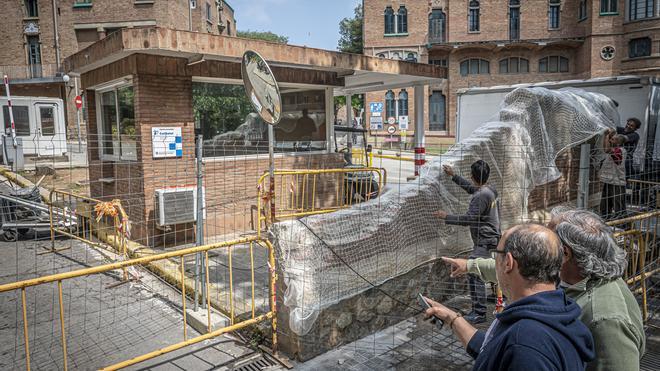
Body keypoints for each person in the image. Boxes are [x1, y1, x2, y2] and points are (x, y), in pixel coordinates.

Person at [443, 208, 645, 371]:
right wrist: (469, 265)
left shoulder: (607, 318)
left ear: (564, 254)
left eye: (548, 239)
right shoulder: (567, 280)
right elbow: (521, 269)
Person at [424, 224, 595, 371]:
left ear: (508, 262)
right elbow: (493, 350)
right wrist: (452, 318)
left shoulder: (525, 345)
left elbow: (516, 348)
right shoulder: (556, 312)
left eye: (496, 254)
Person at [434, 160, 500, 324]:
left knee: (474, 271)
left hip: (486, 239)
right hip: (492, 237)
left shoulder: (481, 195)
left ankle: (479, 312)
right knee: (492, 266)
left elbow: (468, 219)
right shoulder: (489, 190)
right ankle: (499, 296)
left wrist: (446, 217)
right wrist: (454, 176)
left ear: (473, 176)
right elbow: (472, 189)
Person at [600, 131, 627, 220]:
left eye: (613, 139)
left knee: (618, 207)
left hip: (617, 183)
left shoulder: (619, 151)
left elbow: (607, 149)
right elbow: (606, 149)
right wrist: (606, 136)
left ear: (618, 143)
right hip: (609, 181)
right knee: (605, 204)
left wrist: (606, 136)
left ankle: (623, 225)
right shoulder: (614, 149)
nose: (611, 141)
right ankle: (606, 221)